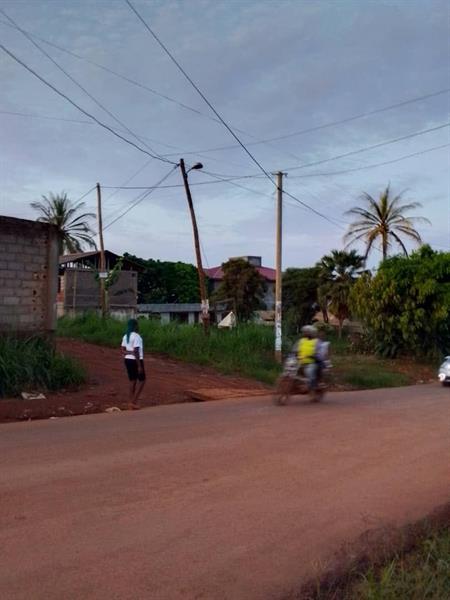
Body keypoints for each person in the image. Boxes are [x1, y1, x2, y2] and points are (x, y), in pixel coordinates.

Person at [121, 318, 145, 410]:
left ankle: (130, 401)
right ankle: (134, 401)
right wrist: (139, 366)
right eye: (137, 325)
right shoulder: (137, 337)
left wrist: (129, 353)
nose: (138, 326)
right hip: (137, 360)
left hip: (127, 360)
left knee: (132, 381)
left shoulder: (125, 336)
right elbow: (136, 351)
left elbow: (122, 350)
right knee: (142, 380)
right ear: (135, 326)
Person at [297, 325, 319, 393]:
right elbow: (295, 349)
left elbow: (319, 352)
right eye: (305, 332)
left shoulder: (316, 341)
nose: (305, 334)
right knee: (290, 371)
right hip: (301, 362)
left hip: (311, 362)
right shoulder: (301, 341)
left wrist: (313, 356)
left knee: (309, 372)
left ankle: (311, 388)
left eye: (307, 332)